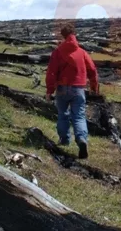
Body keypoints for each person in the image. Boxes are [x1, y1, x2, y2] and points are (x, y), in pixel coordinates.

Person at [45, 24, 98, 159]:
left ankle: (64, 140)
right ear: (74, 35)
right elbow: (92, 70)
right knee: (79, 116)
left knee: (63, 115)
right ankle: (81, 139)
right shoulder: (82, 52)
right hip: (78, 89)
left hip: (62, 89)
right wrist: (94, 87)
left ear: (63, 36)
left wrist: (49, 90)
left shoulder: (57, 52)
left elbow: (51, 72)